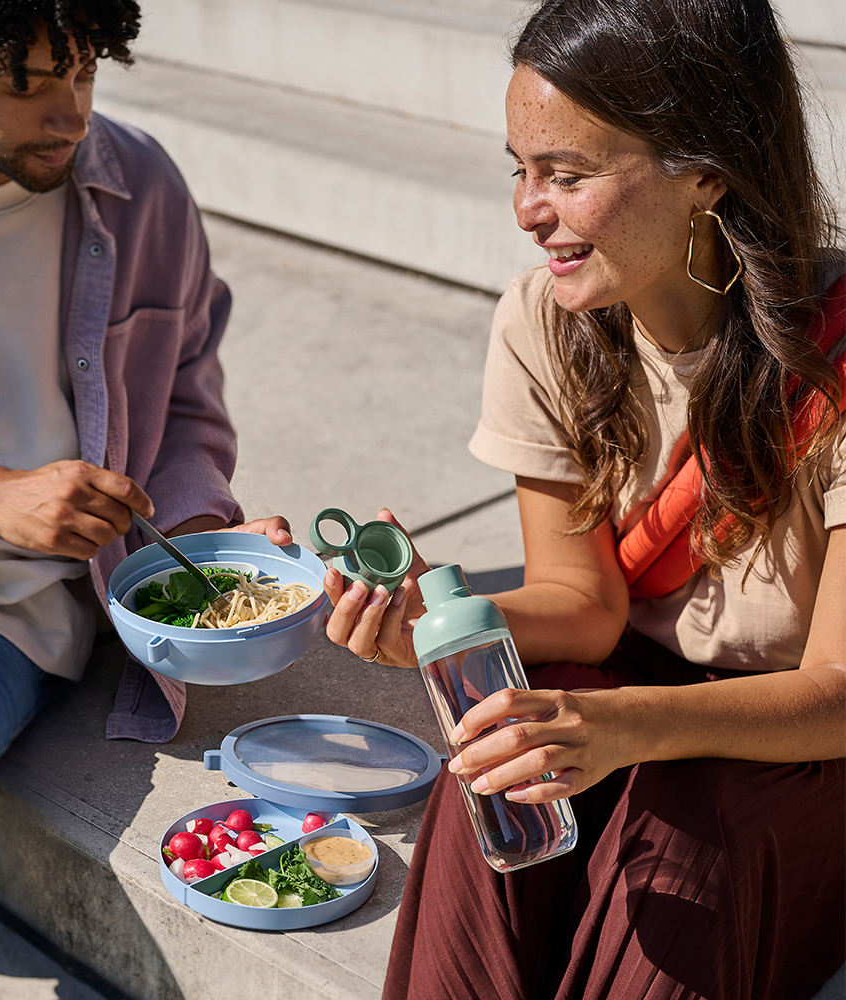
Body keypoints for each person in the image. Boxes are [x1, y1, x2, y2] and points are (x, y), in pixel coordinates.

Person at [322, 1, 845, 997]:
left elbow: (837, 689)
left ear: (704, 171)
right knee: (492, 771)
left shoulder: (834, 359)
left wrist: (622, 731)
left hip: (795, 738)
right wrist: (428, 615)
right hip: (623, 690)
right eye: (517, 168)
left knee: (689, 833)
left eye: (566, 174)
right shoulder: (546, 322)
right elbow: (586, 605)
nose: (526, 208)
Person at [0, 0, 290, 935]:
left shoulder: (141, 188)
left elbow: (183, 411)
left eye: (83, 70)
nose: (72, 113)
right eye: (28, 81)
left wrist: (201, 542)